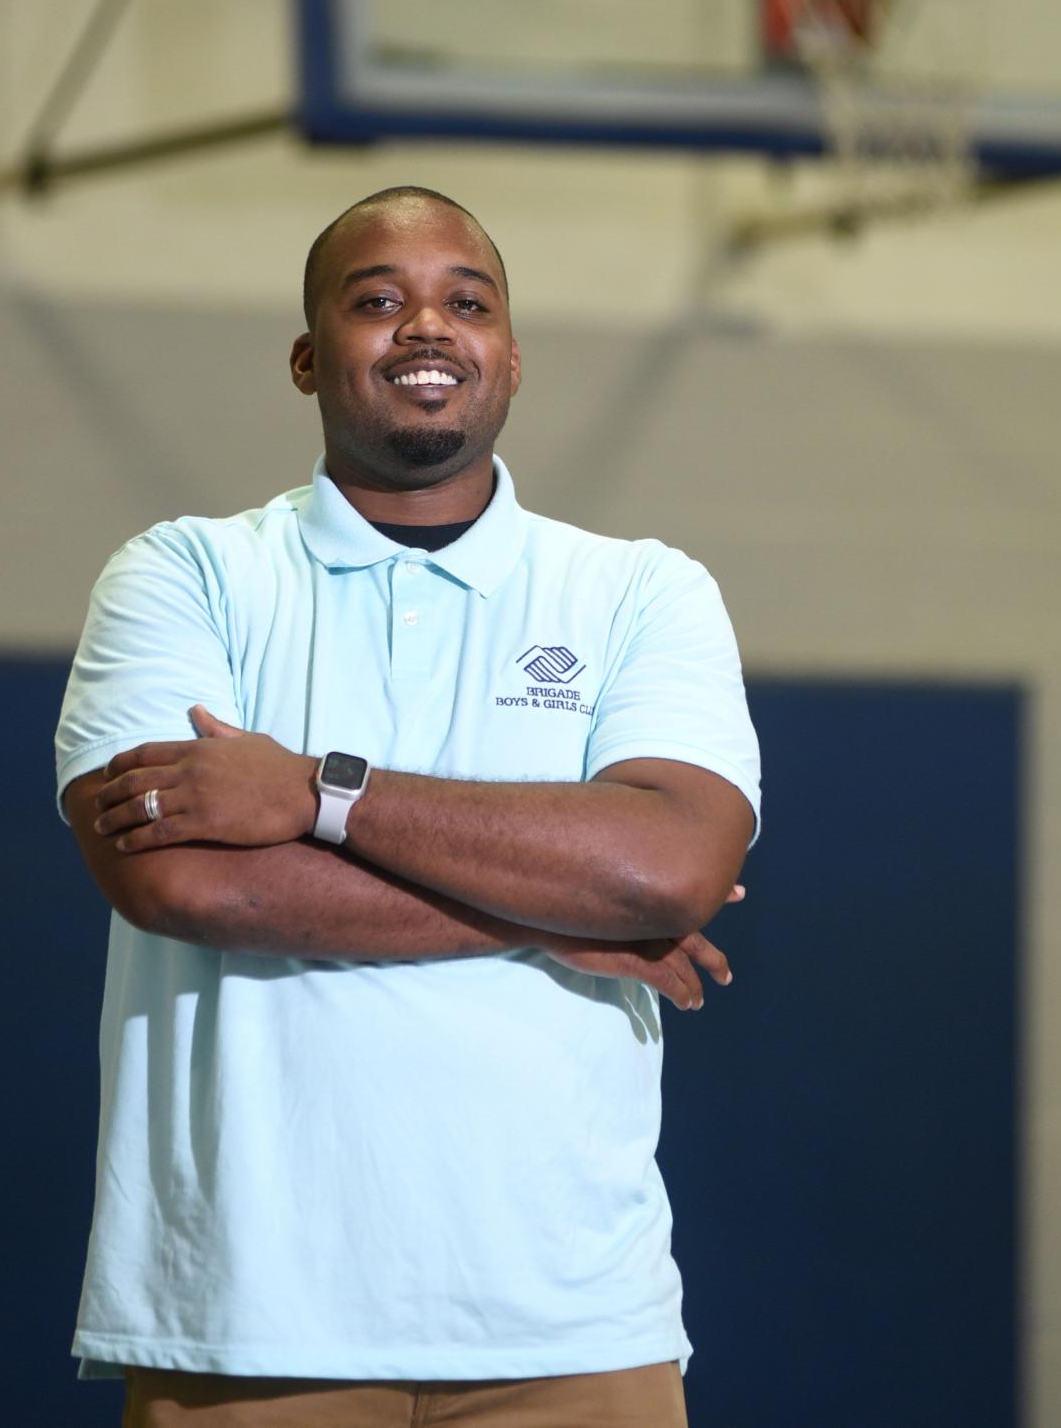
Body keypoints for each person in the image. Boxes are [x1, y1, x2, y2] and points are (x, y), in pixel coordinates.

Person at [57, 185, 760, 1428]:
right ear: (307, 356)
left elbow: (665, 871)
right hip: (244, 1324)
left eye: (466, 302)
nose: (425, 326)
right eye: (377, 299)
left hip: (576, 1323)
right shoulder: (185, 573)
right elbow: (186, 884)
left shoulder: (642, 591)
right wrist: (551, 913)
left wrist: (317, 792)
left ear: (511, 359)